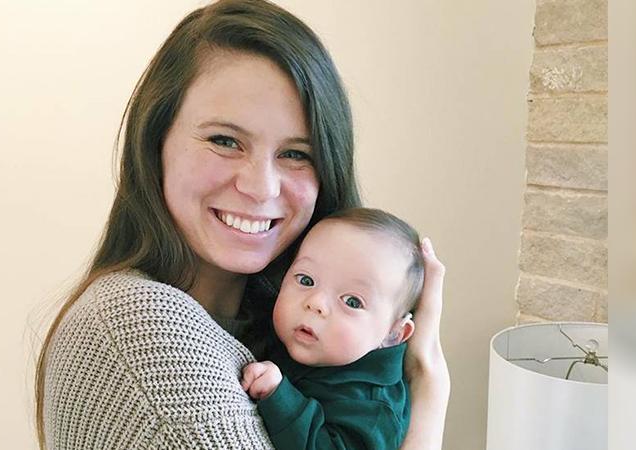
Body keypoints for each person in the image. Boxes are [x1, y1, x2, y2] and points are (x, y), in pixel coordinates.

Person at [35, 1, 450, 449]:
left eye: (295, 154)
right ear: (156, 141)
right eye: (225, 140)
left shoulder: (285, 332)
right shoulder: (141, 327)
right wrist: (430, 388)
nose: (260, 186)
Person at [241, 207, 424, 449]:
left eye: (352, 301)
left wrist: (279, 396)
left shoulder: (374, 409)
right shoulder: (274, 331)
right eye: (306, 280)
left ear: (394, 334)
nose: (316, 303)